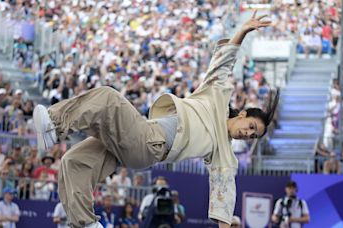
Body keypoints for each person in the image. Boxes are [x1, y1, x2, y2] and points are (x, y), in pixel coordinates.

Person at [34, 12, 276, 228]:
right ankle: (85, 223)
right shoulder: (216, 97)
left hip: (151, 144)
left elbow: (224, 190)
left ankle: (55, 125)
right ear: (243, 114)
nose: (248, 134)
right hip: (141, 135)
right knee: (73, 161)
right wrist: (242, 31)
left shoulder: (224, 150)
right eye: (251, 127)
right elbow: (223, 64)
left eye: (253, 136)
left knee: (108, 97)